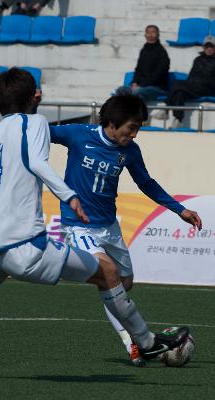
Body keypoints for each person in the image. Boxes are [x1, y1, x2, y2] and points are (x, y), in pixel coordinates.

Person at [0, 68, 189, 365]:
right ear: (35, 96)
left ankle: (142, 341)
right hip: (25, 244)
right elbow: (37, 161)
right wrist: (69, 195)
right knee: (108, 272)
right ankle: (145, 343)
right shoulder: (35, 122)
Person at [49, 93, 202, 366]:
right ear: (112, 122)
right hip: (78, 226)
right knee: (110, 278)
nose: (134, 134)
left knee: (124, 284)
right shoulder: (78, 135)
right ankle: (132, 342)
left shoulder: (129, 151)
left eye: (138, 129)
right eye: (131, 128)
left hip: (109, 225)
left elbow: (147, 183)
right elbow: (41, 132)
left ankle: (129, 330)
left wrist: (180, 210)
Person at [155, 35, 215, 128]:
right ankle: (179, 121)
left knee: (177, 83)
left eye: (211, 46)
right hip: (194, 87)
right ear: (204, 47)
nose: (209, 49)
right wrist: (187, 85)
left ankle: (165, 108)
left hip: (207, 88)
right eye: (207, 46)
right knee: (179, 92)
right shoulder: (198, 60)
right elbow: (191, 75)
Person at [115, 25, 170, 102]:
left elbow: (157, 75)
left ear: (158, 34)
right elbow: (138, 70)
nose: (150, 35)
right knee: (120, 90)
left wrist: (141, 85)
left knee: (136, 92)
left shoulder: (162, 53)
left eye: (153, 32)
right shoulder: (143, 51)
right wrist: (134, 82)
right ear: (145, 35)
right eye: (148, 32)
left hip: (157, 87)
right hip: (140, 86)